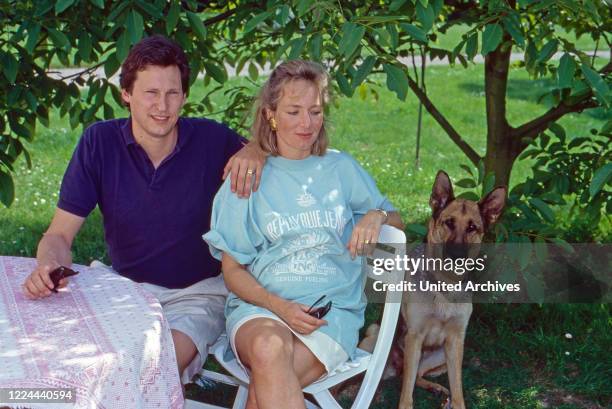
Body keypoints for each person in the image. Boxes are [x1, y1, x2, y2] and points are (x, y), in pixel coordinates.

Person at [21, 35, 266, 384]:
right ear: (126, 93)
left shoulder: (212, 140)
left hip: (196, 295)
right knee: (62, 362)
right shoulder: (99, 143)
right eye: (151, 92)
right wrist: (48, 265)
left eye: (172, 93)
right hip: (124, 289)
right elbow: (59, 234)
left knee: (151, 372)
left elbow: (280, 149)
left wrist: (256, 149)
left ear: (184, 96)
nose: (162, 106)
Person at [204, 60, 404, 409]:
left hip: (330, 314)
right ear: (271, 114)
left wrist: (378, 214)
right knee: (269, 347)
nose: (306, 124)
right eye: (293, 111)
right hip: (260, 309)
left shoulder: (341, 169)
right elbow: (232, 271)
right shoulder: (247, 176)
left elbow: (397, 220)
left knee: (267, 386)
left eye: (314, 111)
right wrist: (277, 306)